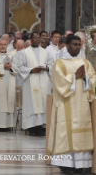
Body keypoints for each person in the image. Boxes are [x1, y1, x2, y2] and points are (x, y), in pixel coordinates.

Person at [48, 35, 95, 174]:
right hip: (65, 104)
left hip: (81, 105)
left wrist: (85, 77)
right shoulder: (60, 63)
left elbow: (93, 79)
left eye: (79, 45)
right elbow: (58, 82)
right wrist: (74, 76)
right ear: (67, 46)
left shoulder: (85, 62)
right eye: (74, 44)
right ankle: (65, 165)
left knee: (81, 133)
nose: (77, 47)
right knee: (65, 133)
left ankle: (80, 165)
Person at [15, 32, 53, 136]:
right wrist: (31, 70)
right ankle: (32, 127)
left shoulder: (45, 52)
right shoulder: (24, 52)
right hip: (30, 81)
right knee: (31, 104)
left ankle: (41, 126)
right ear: (30, 39)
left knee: (43, 102)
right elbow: (20, 67)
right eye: (35, 38)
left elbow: (52, 64)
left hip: (44, 80)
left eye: (38, 38)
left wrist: (47, 68)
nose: (37, 39)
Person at [0, 38, 15, 131]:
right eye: (1, 44)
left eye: (5, 44)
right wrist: (2, 67)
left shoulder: (11, 55)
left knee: (9, 101)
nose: (3, 46)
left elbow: (17, 67)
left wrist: (11, 67)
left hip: (10, 81)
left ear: (7, 45)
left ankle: (9, 124)